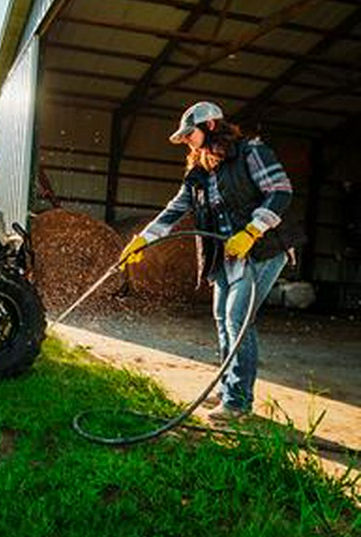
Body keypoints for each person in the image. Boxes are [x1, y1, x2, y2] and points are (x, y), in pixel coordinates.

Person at [119, 101, 300, 423]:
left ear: (211, 126)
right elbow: (175, 209)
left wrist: (253, 229)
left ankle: (238, 403)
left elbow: (281, 191)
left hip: (261, 249)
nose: (187, 140)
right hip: (225, 253)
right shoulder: (200, 173)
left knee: (237, 319)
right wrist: (145, 239)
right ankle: (228, 384)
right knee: (221, 317)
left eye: (191, 133)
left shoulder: (250, 152)